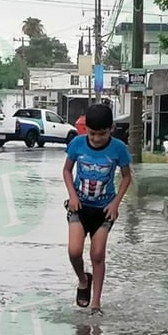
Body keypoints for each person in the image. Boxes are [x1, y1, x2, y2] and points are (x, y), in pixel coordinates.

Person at [63, 104, 132, 316]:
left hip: (104, 209)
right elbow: (66, 170)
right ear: (86, 130)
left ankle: (96, 303)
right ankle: (84, 280)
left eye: (101, 134)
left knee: (98, 253)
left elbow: (127, 177)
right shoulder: (77, 144)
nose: (95, 139)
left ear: (111, 129)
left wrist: (116, 203)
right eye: (92, 134)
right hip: (80, 206)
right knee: (74, 251)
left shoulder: (119, 149)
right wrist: (72, 196)